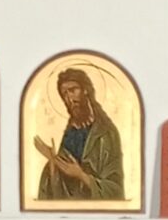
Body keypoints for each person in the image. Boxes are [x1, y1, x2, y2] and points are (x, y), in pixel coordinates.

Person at [35, 67, 125, 203]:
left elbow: (115, 190)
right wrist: (53, 161)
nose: (69, 99)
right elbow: (60, 190)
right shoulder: (70, 133)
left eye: (72, 90)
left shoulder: (106, 133)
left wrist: (81, 175)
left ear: (85, 90)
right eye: (64, 94)